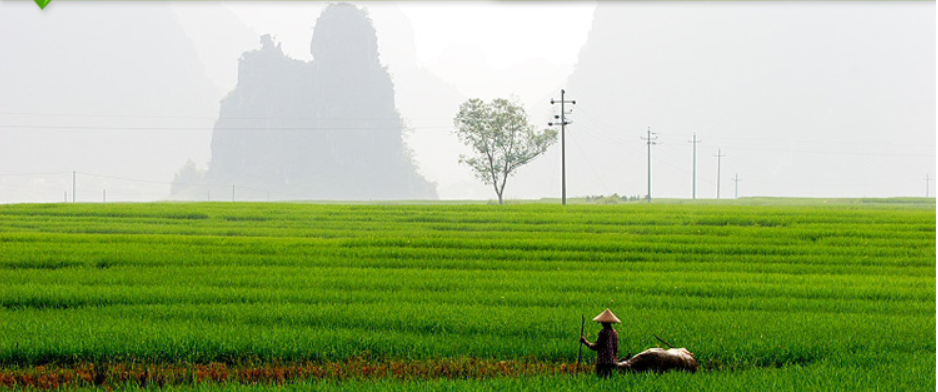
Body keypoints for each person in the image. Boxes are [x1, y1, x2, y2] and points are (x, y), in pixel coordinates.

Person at [579, 308, 620, 377]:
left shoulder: (603, 332)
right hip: (612, 362)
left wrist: (585, 341)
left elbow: (596, 347)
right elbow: (616, 349)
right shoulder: (614, 333)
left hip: (603, 362)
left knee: (601, 379)